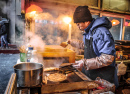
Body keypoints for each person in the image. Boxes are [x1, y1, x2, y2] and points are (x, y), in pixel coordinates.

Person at [68, 6, 119, 88]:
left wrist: (85, 63)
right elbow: (87, 46)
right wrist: (72, 42)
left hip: (102, 77)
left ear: (87, 21)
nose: (77, 27)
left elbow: (108, 58)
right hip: (91, 74)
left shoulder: (100, 32)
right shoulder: (88, 32)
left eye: (78, 24)